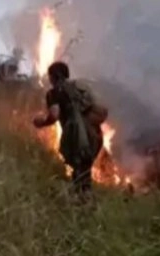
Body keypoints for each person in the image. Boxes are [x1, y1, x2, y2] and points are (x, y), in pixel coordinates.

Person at [33, 61, 108, 196]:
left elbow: (54, 115)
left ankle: (82, 201)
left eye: (50, 77)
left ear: (54, 77)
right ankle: (85, 199)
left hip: (77, 137)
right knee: (85, 171)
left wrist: (41, 122)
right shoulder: (81, 87)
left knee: (80, 174)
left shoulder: (54, 93)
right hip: (95, 136)